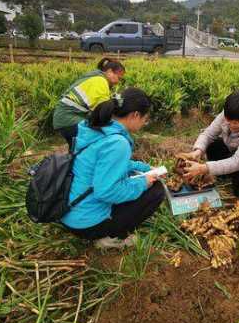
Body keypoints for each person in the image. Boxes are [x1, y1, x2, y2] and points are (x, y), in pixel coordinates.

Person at [61, 87, 166, 249]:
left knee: (134, 181)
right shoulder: (118, 144)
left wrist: (144, 168)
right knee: (156, 191)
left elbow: (107, 165)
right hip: (87, 224)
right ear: (135, 115)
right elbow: (106, 191)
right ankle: (110, 236)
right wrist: (143, 182)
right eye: (145, 119)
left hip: (69, 212)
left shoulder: (96, 126)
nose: (144, 123)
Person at [182, 91, 239, 200]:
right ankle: (224, 175)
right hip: (235, 150)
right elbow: (208, 134)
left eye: (237, 122)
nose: (231, 124)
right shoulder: (228, 115)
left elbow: (238, 162)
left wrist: (204, 168)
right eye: (229, 120)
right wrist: (198, 151)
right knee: (213, 145)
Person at [53, 58, 125, 148]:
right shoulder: (100, 81)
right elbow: (103, 113)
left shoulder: (95, 77)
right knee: (99, 139)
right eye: (119, 78)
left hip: (65, 118)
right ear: (110, 71)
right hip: (69, 119)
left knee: (77, 149)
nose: (118, 82)